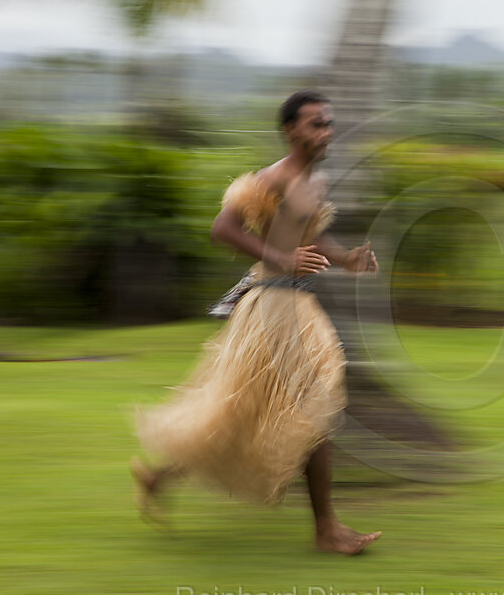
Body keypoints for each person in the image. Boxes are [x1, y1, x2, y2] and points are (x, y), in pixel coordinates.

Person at [130, 90, 381, 556]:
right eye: (315, 124)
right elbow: (222, 228)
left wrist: (347, 259)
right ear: (291, 131)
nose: (325, 132)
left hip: (296, 307)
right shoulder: (274, 178)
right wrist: (280, 257)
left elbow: (311, 236)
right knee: (315, 406)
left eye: (328, 123)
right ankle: (326, 530)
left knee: (246, 411)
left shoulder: (312, 183)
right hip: (273, 307)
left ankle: (159, 477)